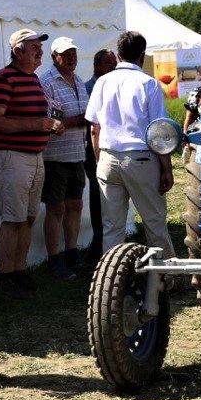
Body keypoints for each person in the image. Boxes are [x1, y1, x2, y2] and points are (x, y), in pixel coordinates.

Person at [85, 31, 175, 259]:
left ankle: (111, 279)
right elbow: (158, 132)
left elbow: (94, 128)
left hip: (107, 157)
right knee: (154, 222)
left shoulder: (102, 82)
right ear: (142, 57)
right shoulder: (149, 83)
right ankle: (166, 276)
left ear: (118, 55)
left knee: (112, 227)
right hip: (141, 158)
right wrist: (167, 168)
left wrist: (99, 160)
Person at [0, 28, 59, 300]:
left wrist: (50, 125)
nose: (40, 50)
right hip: (11, 157)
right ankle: (7, 277)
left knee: (28, 217)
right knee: (13, 219)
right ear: (17, 51)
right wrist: (35, 125)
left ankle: (19, 271)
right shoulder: (3, 79)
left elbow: (37, 116)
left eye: (40, 46)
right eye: (33, 47)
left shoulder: (34, 79)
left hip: (34, 156)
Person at [39, 37, 93, 278]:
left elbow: (86, 116)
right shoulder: (47, 82)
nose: (72, 58)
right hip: (55, 156)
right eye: (65, 54)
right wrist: (80, 120)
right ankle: (54, 260)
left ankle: (72, 254)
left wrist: (80, 120)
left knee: (75, 205)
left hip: (76, 154)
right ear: (54, 57)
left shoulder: (79, 81)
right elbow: (52, 121)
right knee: (55, 209)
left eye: (74, 53)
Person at [82, 49, 118, 259]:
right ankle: (99, 245)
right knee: (98, 197)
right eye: (107, 63)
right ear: (96, 65)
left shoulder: (116, 86)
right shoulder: (89, 88)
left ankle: (110, 244)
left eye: (114, 63)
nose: (111, 67)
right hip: (93, 152)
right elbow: (91, 123)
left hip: (113, 151)